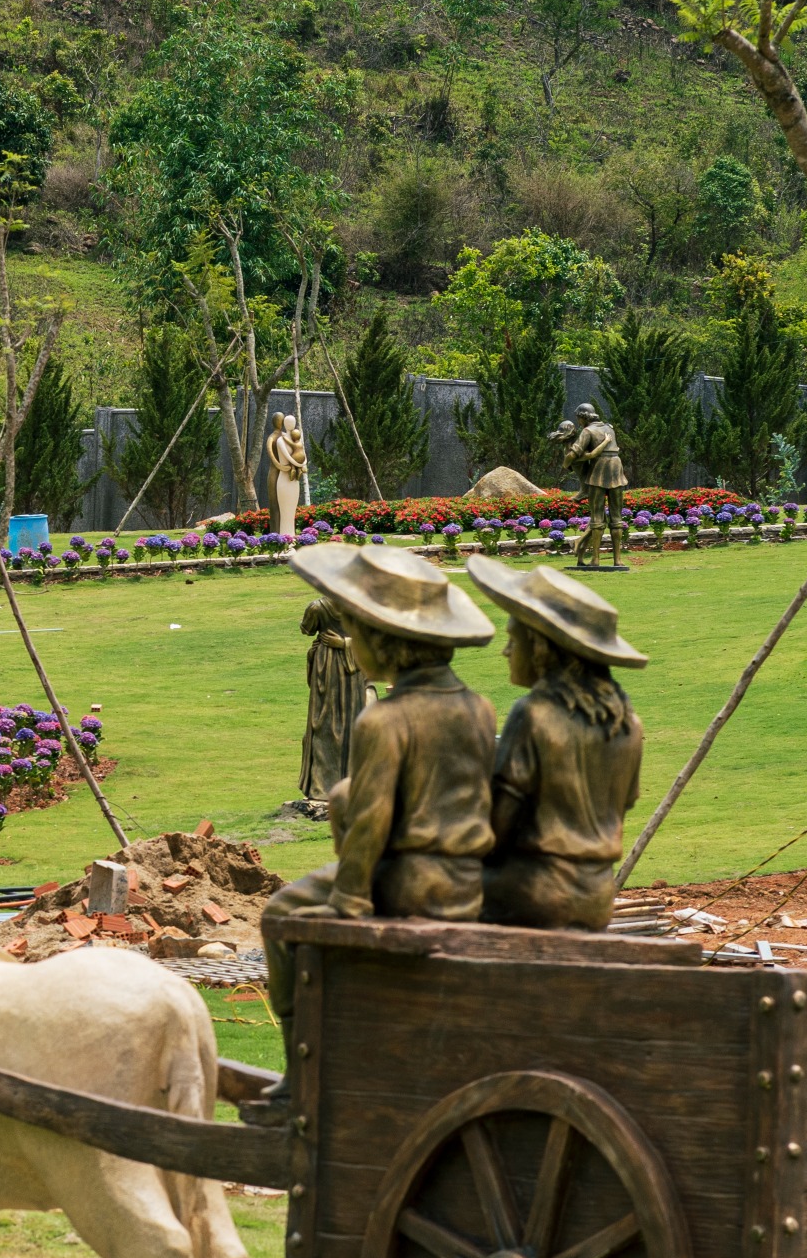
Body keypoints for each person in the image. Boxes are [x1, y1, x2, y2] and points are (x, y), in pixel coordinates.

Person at [258, 544, 497, 948]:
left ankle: (299, 1013)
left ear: (385, 643)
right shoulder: (480, 708)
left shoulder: (383, 720)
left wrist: (348, 903)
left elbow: (371, 820)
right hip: (471, 877)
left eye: (360, 630)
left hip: (412, 882)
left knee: (280, 912)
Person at [468, 556, 646, 930]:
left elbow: (499, 824)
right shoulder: (629, 724)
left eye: (513, 640)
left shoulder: (534, 714)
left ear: (542, 648)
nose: (505, 652)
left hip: (530, 891)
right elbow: (625, 802)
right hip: (597, 894)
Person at [298, 597, 370, 805]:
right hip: (348, 670)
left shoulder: (316, 607)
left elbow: (306, 629)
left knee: (326, 723)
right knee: (338, 723)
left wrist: (341, 643)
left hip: (330, 666)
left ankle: (327, 786)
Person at [549, 403, 628, 568]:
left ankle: (595, 560)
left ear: (583, 417)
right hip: (616, 469)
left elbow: (573, 453)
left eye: (579, 418)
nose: (578, 422)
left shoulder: (587, 431)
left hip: (599, 471)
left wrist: (567, 463)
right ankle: (617, 560)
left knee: (597, 517)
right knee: (616, 518)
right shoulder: (609, 428)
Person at [268, 412, 309, 543]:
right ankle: (285, 535)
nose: (291, 425)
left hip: (294, 479)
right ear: (285, 423)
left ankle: (291, 535)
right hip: (285, 478)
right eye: (288, 422)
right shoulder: (280, 439)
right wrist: (298, 464)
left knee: (291, 510)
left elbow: (304, 454)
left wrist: (302, 464)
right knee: (284, 509)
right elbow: (287, 456)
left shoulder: (298, 439)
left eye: (293, 422)